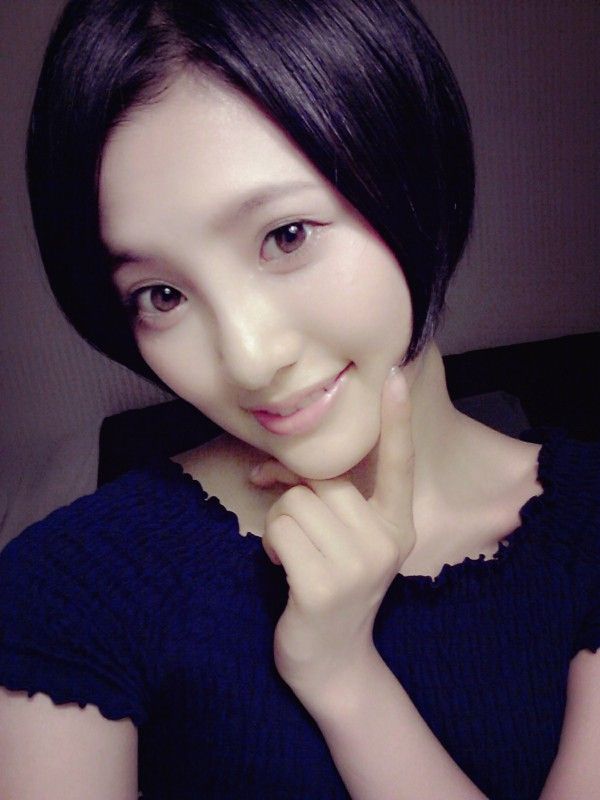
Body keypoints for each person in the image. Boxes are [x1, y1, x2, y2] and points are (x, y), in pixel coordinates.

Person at [0, 0, 598, 798]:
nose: (248, 359)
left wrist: (345, 678)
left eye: (286, 236)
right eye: (162, 295)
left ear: (411, 177)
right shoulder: (68, 585)